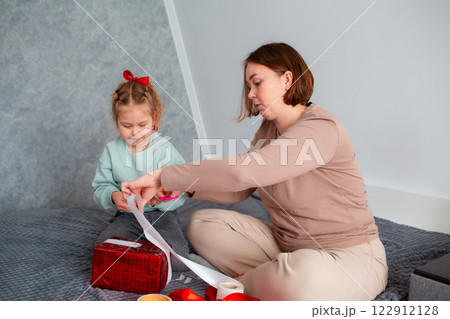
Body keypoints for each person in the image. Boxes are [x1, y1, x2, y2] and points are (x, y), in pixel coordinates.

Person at [121, 43, 388, 300]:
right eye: (249, 85)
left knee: (303, 277)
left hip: (348, 257)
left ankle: (245, 286)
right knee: (203, 224)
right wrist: (182, 187)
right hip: (287, 247)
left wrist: (162, 175)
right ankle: (275, 277)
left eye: (257, 82)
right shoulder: (267, 131)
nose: (250, 93)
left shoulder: (321, 128)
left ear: (287, 79)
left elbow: (243, 172)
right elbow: (240, 190)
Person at [92, 70, 188, 271]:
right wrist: (114, 195)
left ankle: (146, 255)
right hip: (127, 216)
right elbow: (100, 187)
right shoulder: (112, 150)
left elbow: (182, 188)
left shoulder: (164, 149)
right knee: (106, 249)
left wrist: (162, 199)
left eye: (142, 125)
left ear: (154, 119)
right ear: (116, 121)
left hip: (162, 216)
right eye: (126, 126)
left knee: (177, 258)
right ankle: (142, 256)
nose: (135, 132)